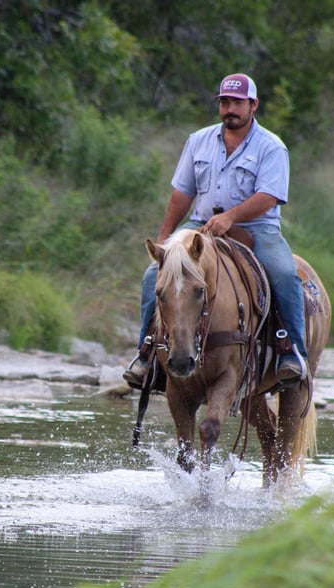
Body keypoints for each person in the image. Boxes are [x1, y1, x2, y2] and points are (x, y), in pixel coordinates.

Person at [124, 73, 309, 389]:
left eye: (237, 102)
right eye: (225, 102)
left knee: (284, 274)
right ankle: (147, 354)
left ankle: (291, 351)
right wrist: (165, 239)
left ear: (253, 105)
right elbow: (182, 194)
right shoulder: (198, 140)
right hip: (202, 224)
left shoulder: (271, 147)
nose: (230, 109)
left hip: (256, 227)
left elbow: (268, 196)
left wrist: (231, 217)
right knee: (153, 277)